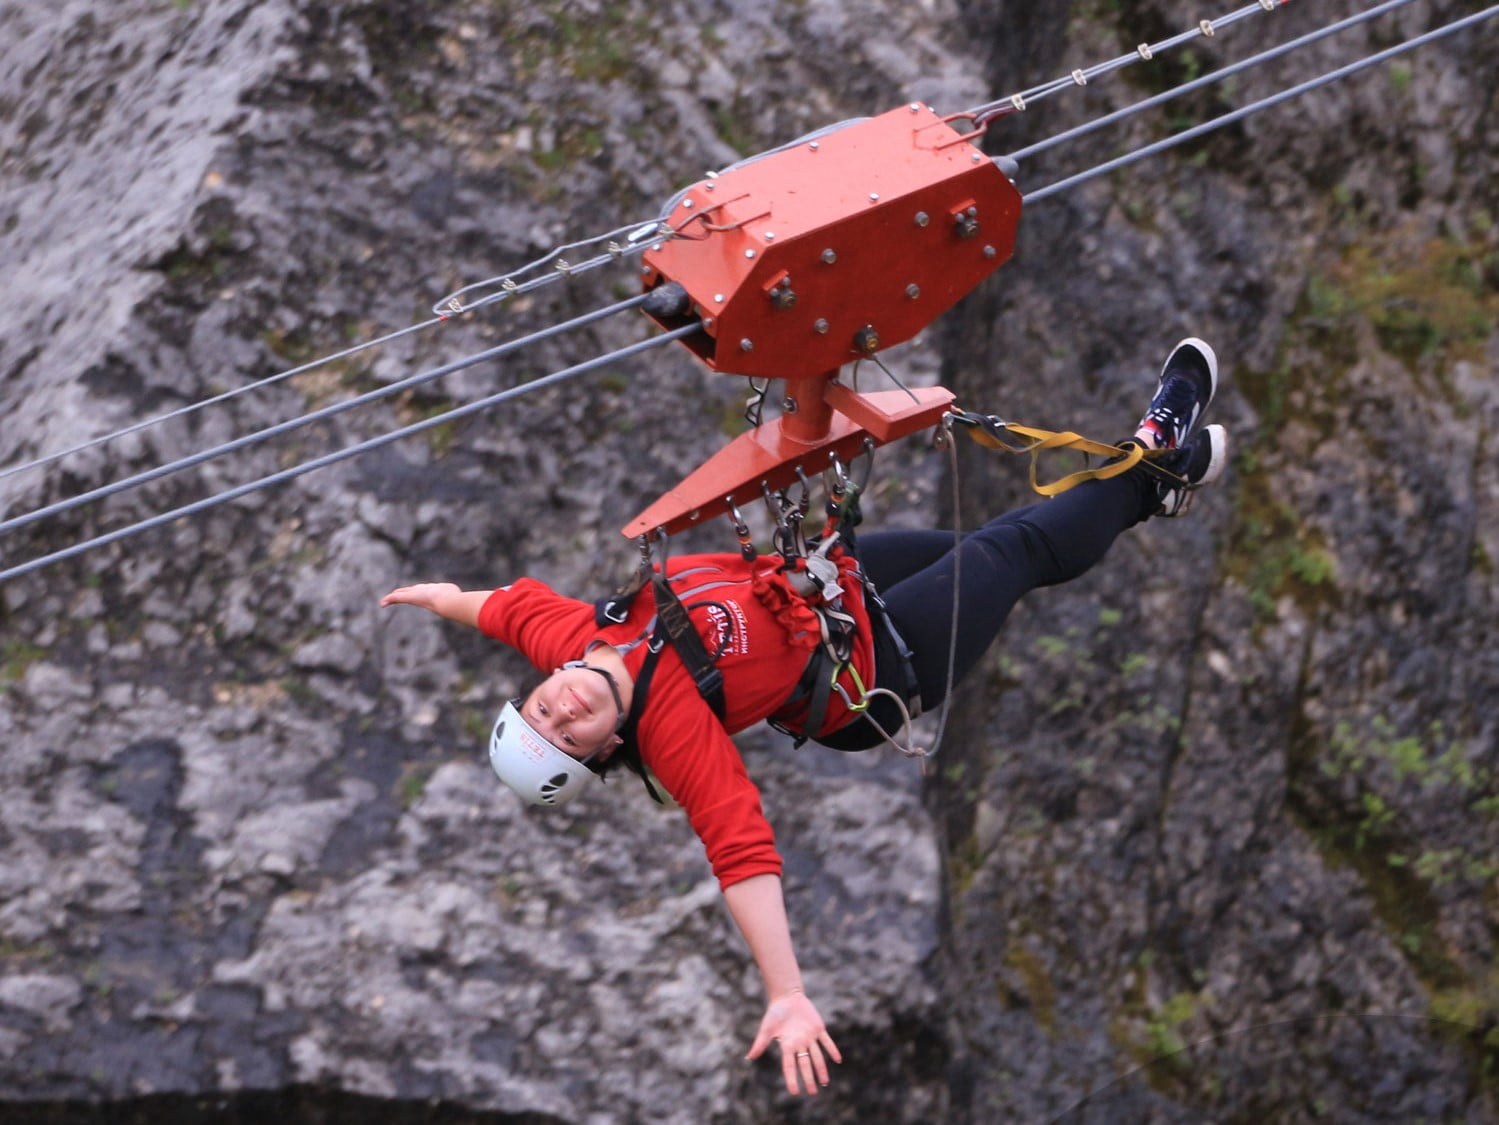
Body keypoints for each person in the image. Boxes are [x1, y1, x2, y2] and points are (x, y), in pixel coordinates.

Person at [380, 339, 1229, 1097]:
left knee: (1005, 538)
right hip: (874, 675)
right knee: (1013, 551)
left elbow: (501, 608)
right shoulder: (672, 729)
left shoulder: (576, 636)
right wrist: (785, 991)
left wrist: (436, 596)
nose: (563, 709)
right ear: (606, 750)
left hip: (832, 591)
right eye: (568, 738)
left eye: (541, 708)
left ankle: (1146, 496)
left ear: (542, 680)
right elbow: (738, 850)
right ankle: (1157, 452)